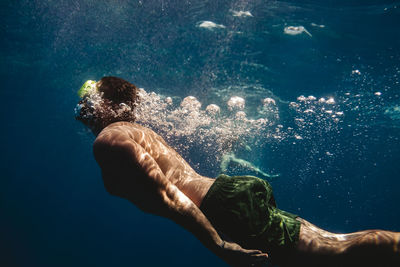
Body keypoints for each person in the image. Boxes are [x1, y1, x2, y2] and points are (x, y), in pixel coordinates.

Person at [75, 76, 400, 267]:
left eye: (87, 100)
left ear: (106, 103)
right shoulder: (131, 131)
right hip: (228, 199)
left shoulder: (111, 139)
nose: (82, 109)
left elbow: (171, 197)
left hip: (224, 207)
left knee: (336, 252)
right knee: (331, 244)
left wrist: (219, 246)